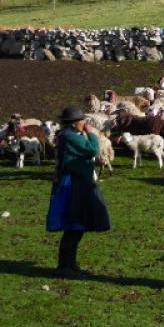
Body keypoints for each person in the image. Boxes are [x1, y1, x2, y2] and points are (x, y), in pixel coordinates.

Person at [46, 106, 111, 278]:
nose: (85, 123)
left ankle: (70, 264)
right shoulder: (70, 137)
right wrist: (91, 134)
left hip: (78, 181)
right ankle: (64, 266)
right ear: (74, 124)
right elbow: (93, 149)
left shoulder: (68, 135)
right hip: (73, 184)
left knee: (77, 226)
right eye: (82, 120)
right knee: (73, 224)